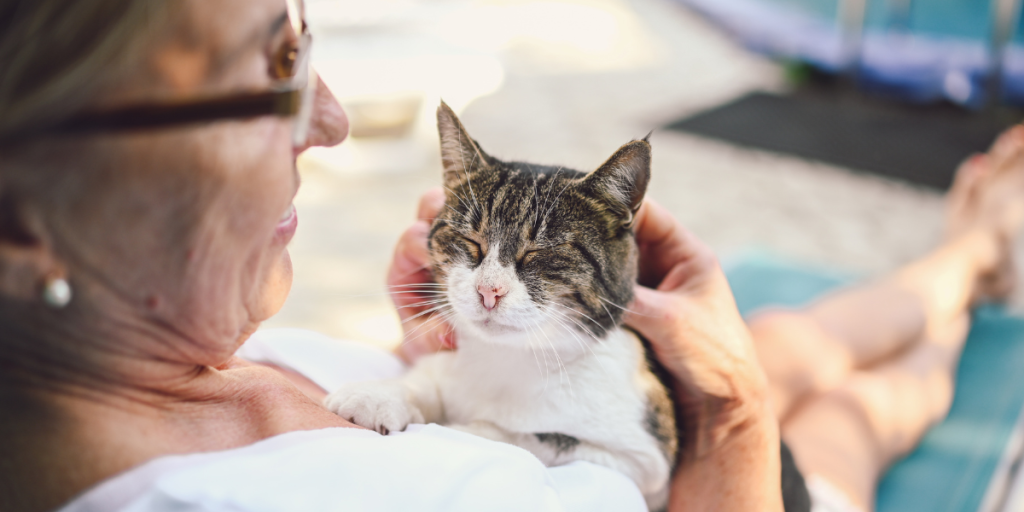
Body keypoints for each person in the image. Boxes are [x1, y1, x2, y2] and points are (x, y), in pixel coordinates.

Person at [0, 0, 1021, 511]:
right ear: (23, 220)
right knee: (851, 419)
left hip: (568, 385)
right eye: (269, 69)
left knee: (795, 336)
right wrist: (740, 408)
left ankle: (962, 255)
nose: (334, 118)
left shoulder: (142, 355)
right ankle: (972, 266)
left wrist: (433, 358)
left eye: (307, 45)